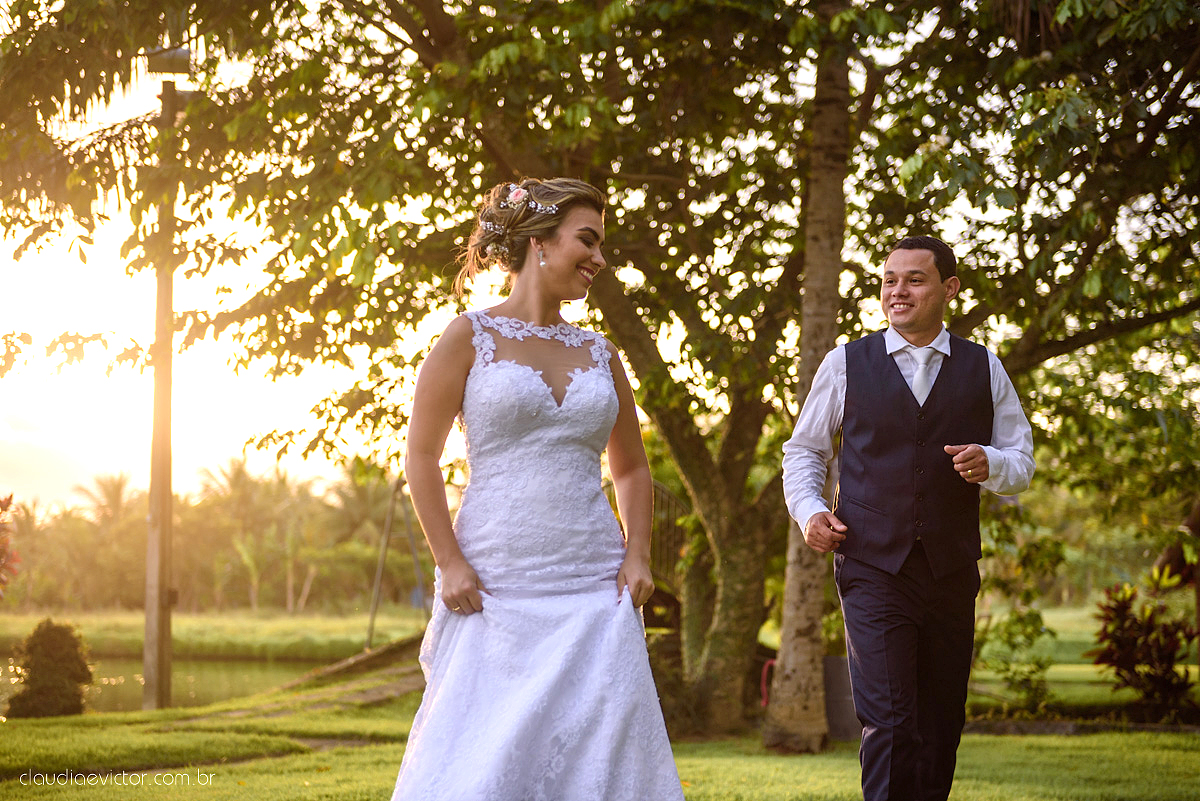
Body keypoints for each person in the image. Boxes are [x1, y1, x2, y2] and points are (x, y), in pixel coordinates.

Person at [391, 177, 684, 801]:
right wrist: (449, 562)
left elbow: (631, 468)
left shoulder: (602, 354)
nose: (599, 259)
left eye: (601, 244)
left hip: (592, 584)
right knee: (486, 756)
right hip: (495, 582)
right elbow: (419, 455)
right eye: (588, 240)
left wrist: (637, 554)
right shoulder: (467, 337)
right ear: (540, 243)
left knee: (598, 752)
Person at [781, 236, 1035, 801]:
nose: (899, 290)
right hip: (873, 566)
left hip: (949, 570)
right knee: (891, 724)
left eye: (914, 279)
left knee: (940, 728)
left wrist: (988, 462)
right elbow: (805, 451)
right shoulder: (845, 362)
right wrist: (810, 510)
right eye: (890, 279)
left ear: (948, 289)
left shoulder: (983, 366)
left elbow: (1021, 461)